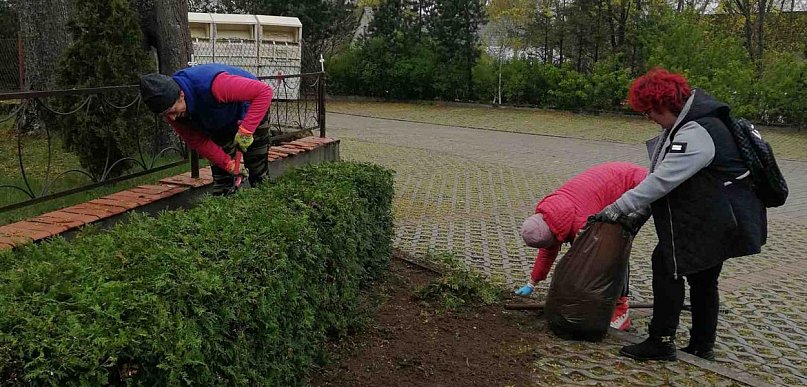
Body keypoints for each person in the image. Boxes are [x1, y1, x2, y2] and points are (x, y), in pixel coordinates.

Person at [595, 68, 767, 361]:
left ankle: (661, 341)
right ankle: (702, 345)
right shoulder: (697, 123)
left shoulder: (696, 132)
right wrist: (638, 213)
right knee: (702, 278)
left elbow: (662, 180)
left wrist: (616, 208)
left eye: (649, 111)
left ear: (664, 105)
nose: (648, 118)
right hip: (724, 218)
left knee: (666, 265)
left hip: (711, 219)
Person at [517, 161, 649, 331]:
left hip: (637, 186)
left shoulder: (582, 222)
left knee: (615, 250)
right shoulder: (550, 215)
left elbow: (600, 261)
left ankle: (620, 308)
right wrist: (532, 282)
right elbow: (547, 251)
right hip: (613, 183)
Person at [139, 63, 274, 195]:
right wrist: (228, 165)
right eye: (166, 115)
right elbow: (199, 142)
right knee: (223, 181)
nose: (172, 119)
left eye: (172, 111)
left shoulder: (213, 85)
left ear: (181, 95)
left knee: (257, 169)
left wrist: (246, 130)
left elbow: (264, 92)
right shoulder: (173, 112)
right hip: (219, 121)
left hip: (252, 108)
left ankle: (264, 201)